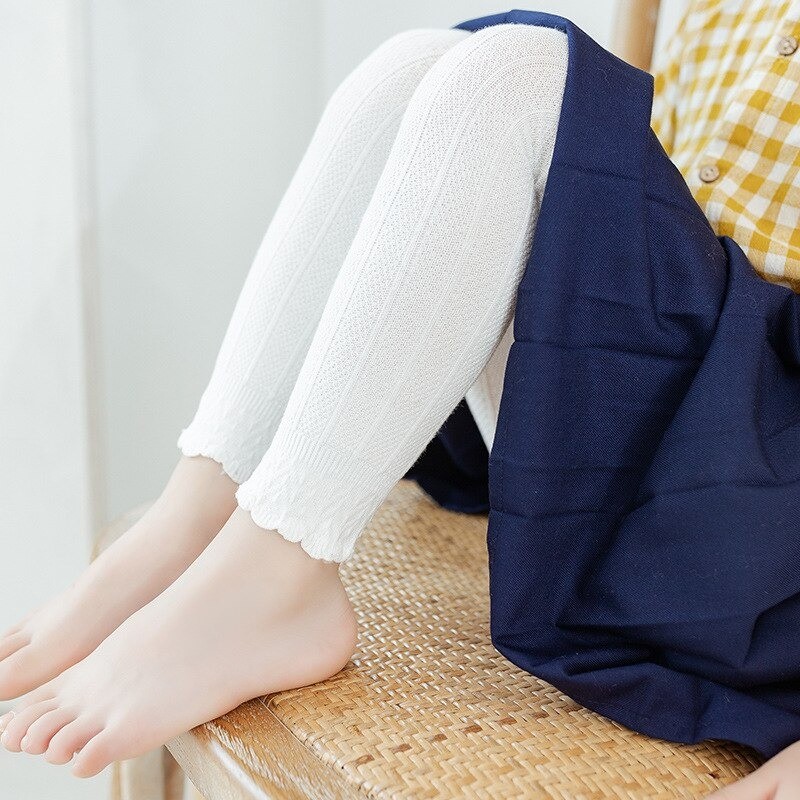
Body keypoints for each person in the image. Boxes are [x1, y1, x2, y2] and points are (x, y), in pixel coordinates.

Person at [0, 5, 798, 796]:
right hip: (675, 398)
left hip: (755, 514)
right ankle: (202, 514)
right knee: (419, 64)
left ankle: (279, 566)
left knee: (519, 75)